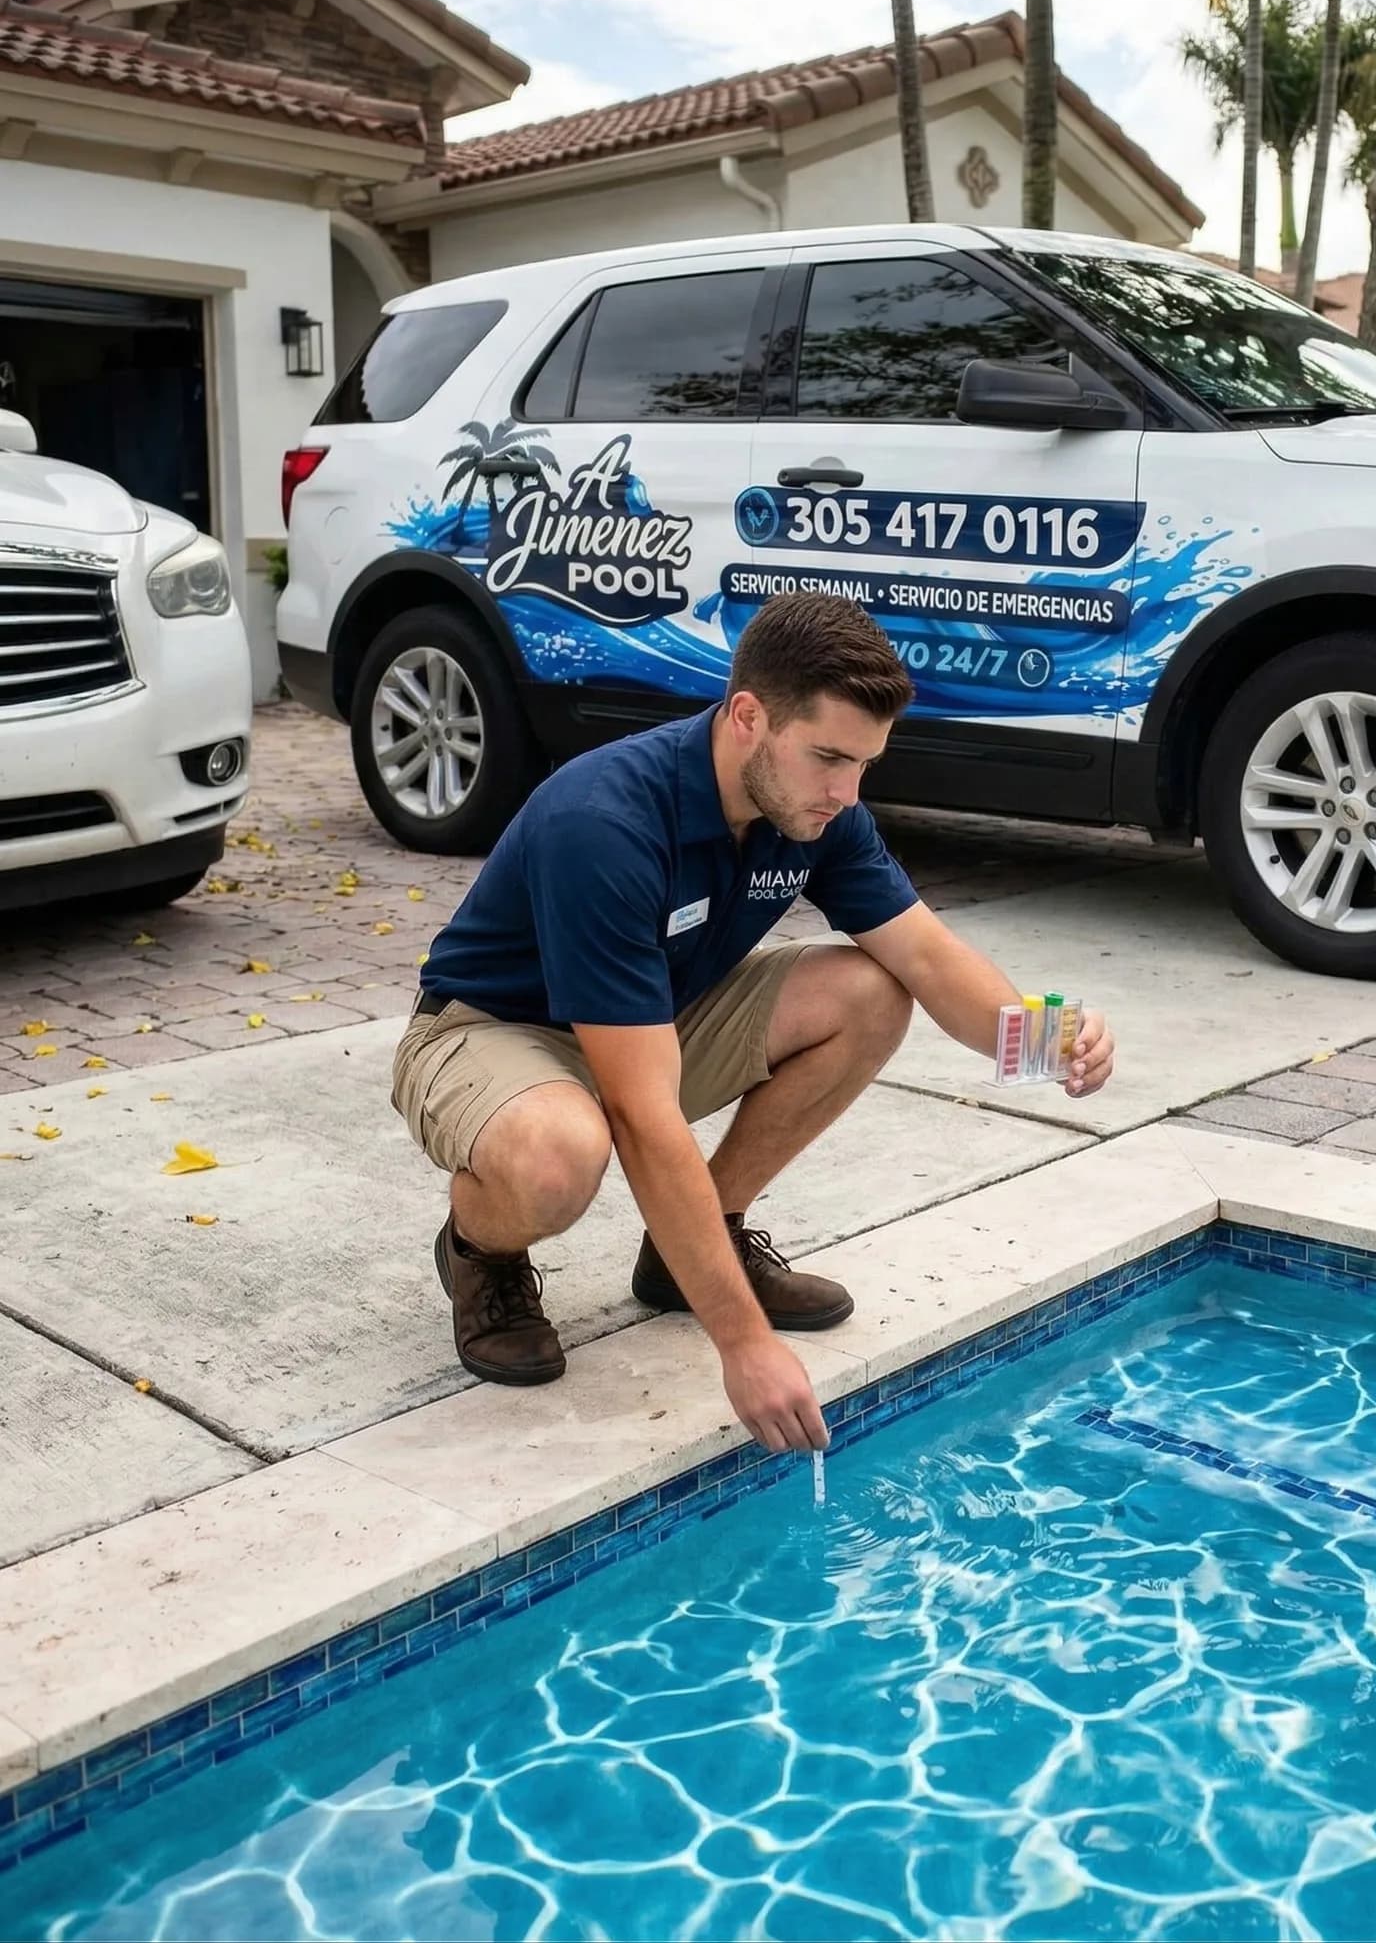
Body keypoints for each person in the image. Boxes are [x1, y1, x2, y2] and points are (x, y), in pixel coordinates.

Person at [392, 592, 1115, 1457]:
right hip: (490, 1032)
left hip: (654, 1016)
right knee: (561, 1154)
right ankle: (482, 1255)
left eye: (865, 766)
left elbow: (924, 956)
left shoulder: (818, 809)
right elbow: (643, 1115)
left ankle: (692, 1251)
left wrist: (1044, 1041)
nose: (846, 792)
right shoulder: (606, 822)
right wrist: (741, 1343)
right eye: (829, 759)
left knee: (874, 989)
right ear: (747, 717)